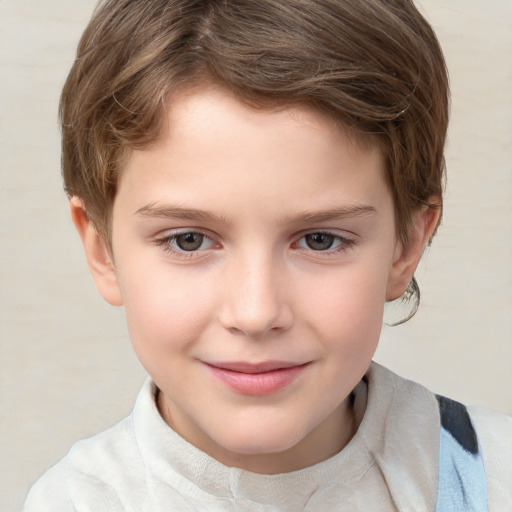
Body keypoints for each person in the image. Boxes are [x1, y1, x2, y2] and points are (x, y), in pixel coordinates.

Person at [23, 0, 511, 510]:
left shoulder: (496, 478)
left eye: (320, 240)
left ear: (405, 246)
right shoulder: (72, 502)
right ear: (103, 249)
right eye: (189, 240)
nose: (256, 313)